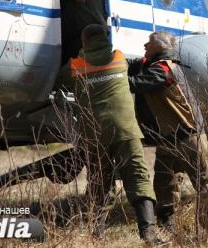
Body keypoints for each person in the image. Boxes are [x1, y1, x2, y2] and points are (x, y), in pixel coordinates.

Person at [57, 24, 161, 243]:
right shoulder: (119, 58)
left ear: (84, 43)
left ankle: (98, 235)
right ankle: (149, 233)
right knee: (138, 176)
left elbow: (60, 79)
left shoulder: (75, 66)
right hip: (126, 130)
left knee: (99, 183)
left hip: (94, 134)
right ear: (106, 39)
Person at [127, 31, 208, 228]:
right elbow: (135, 65)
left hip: (188, 134)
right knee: (164, 181)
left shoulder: (162, 70)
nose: (145, 45)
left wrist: (107, 79)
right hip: (170, 135)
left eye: (149, 42)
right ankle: (167, 224)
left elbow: (133, 84)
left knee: (206, 182)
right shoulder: (153, 65)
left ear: (159, 47)